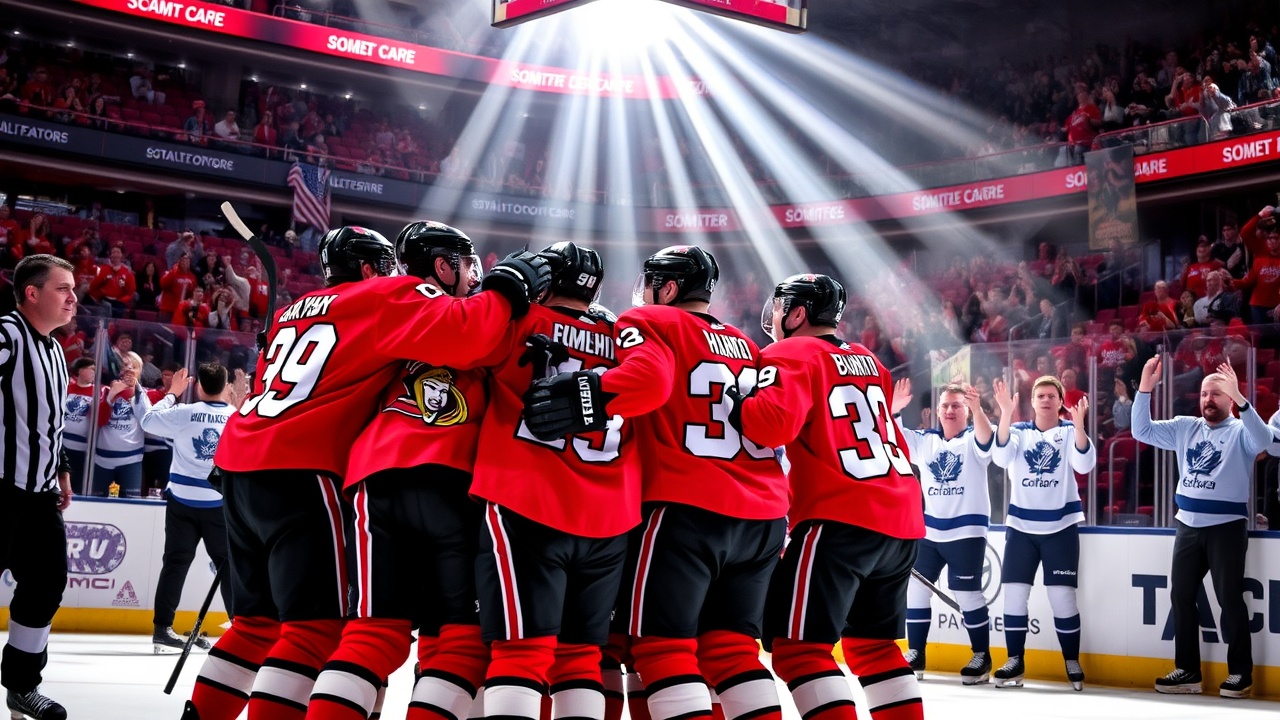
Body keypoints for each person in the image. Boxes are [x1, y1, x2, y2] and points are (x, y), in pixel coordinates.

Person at [185, 226, 550, 720]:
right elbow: (467, 336)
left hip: (242, 463)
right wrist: (507, 287)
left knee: (257, 626)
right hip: (307, 466)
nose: (397, 275)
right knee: (316, 631)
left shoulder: (297, 308)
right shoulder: (389, 294)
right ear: (367, 269)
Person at [524, 246, 787, 720]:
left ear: (666, 288)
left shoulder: (647, 321)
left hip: (682, 507)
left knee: (649, 649)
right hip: (762, 515)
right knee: (731, 653)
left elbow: (646, 382)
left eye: (649, 283)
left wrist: (588, 396)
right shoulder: (746, 344)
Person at [303, 222, 494, 720]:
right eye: (466, 264)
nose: (474, 275)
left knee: (372, 634)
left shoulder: (381, 307)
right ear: (443, 266)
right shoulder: (485, 313)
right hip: (453, 479)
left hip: (374, 477)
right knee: (460, 641)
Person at [728, 274, 925, 720]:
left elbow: (770, 426)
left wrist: (740, 401)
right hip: (901, 514)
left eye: (780, 307)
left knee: (797, 649)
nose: (774, 317)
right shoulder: (868, 360)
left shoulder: (789, 352)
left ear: (797, 313)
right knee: (874, 648)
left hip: (840, 517)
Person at [471, 242, 636, 720]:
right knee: (581, 658)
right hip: (608, 518)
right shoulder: (626, 337)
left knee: (520, 654)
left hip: (528, 499)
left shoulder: (520, 321)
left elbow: (456, 343)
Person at [1133, 358, 1270, 698]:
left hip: (1226, 528)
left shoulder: (1241, 431)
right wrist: (1145, 388)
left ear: (1230, 398)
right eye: (1205, 393)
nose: (1208, 399)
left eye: (1217, 394)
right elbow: (1141, 431)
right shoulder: (1185, 426)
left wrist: (1242, 400)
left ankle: (1241, 673)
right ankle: (1188, 671)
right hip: (1188, 526)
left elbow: (1264, 440)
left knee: (1229, 599)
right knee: (1180, 596)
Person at [1, 254, 77, 720]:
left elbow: (51, 421)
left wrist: (62, 468)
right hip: (1, 490)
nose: (73, 298)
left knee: (46, 585)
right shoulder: (6, 334)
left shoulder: (54, 350)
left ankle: (21, 687)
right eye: (62, 288)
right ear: (32, 293)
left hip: (41, 494)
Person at [990, 374, 1095, 690]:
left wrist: (1079, 426)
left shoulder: (1069, 431)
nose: (1046, 400)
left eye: (1052, 395)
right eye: (1040, 396)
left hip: (1061, 528)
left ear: (1061, 401)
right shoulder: (1018, 432)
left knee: (1062, 598)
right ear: (1032, 402)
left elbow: (1084, 465)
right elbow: (1000, 458)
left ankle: (1071, 660)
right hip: (1021, 528)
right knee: (1014, 596)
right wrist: (1006, 414)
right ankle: (1014, 660)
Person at [892, 379, 994, 684]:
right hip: (931, 531)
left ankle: (982, 656)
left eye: (956, 406)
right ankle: (916, 653)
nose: (950, 410)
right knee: (916, 588)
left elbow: (987, 441)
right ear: (937, 411)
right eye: (946, 406)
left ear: (966, 411)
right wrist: (895, 410)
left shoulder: (974, 438)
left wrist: (978, 410)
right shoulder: (926, 441)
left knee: (967, 593)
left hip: (967, 531)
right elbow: (893, 439)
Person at [140, 364, 235, 654]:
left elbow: (148, 420)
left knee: (175, 563)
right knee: (227, 567)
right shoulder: (235, 416)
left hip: (181, 499)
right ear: (226, 385)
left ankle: (162, 629)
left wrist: (172, 393)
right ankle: (241, 630)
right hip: (218, 503)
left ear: (198, 386)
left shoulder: (184, 412)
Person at [92, 351, 152, 497]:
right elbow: (98, 420)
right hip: (102, 460)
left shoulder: (144, 394)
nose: (129, 369)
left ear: (139, 371)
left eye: (134, 367)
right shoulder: (105, 390)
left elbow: (148, 421)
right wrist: (111, 396)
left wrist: (136, 390)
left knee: (131, 504)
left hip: (131, 460)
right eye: (125, 365)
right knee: (97, 502)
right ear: (119, 369)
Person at [63, 357, 97, 489]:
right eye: (91, 369)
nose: (94, 373)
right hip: (62, 444)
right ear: (80, 370)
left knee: (77, 483)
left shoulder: (98, 391)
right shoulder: (66, 388)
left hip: (83, 448)